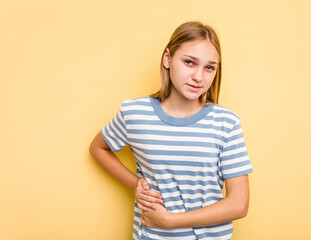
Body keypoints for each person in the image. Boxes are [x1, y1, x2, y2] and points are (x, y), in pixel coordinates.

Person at [89, 21, 253, 240]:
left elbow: (239, 204)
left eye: (209, 67)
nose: (198, 77)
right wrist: (135, 184)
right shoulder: (135, 114)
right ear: (167, 58)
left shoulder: (226, 122)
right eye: (189, 62)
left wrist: (170, 221)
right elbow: (98, 148)